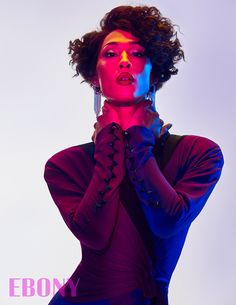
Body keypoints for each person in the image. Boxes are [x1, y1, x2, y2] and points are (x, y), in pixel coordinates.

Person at [44, 5, 224, 305]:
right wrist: (108, 142)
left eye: (138, 54)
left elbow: (167, 222)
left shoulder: (199, 154)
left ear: (154, 73)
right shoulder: (65, 165)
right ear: (94, 78)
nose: (125, 61)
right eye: (111, 54)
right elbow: (94, 234)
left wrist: (138, 141)